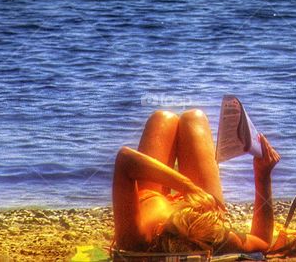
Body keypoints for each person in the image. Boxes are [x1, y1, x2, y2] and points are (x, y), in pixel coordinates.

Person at [112, 109, 281, 255]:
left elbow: (125, 159)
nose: (178, 200)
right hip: (205, 217)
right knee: (194, 118)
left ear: (162, 226)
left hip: (152, 196)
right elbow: (262, 241)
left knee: (163, 118)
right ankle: (203, 205)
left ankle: (195, 199)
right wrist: (263, 176)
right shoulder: (214, 238)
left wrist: (188, 187)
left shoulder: (135, 240)